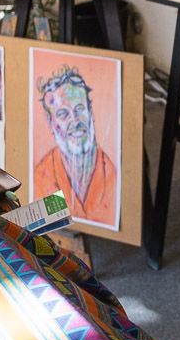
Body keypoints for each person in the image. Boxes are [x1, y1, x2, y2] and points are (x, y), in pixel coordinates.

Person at [33, 66, 117, 227]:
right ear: (52, 124)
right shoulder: (43, 176)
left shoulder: (113, 173)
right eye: (63, 114)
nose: (75, 120)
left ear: (90, 112)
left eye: (79, 109)